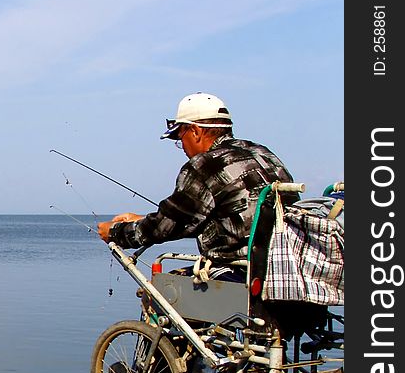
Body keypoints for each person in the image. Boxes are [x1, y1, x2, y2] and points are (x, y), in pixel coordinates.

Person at [97, 92, 297, 281]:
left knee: (163, 289)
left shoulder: (205, 164)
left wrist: (115, 232)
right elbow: (234, 218)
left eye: (180, 138)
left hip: (242, 272)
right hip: (285, 270)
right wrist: (142, 219)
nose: (182, 147)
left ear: (195, 131)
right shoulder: (263, 154)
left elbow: (164, 228)